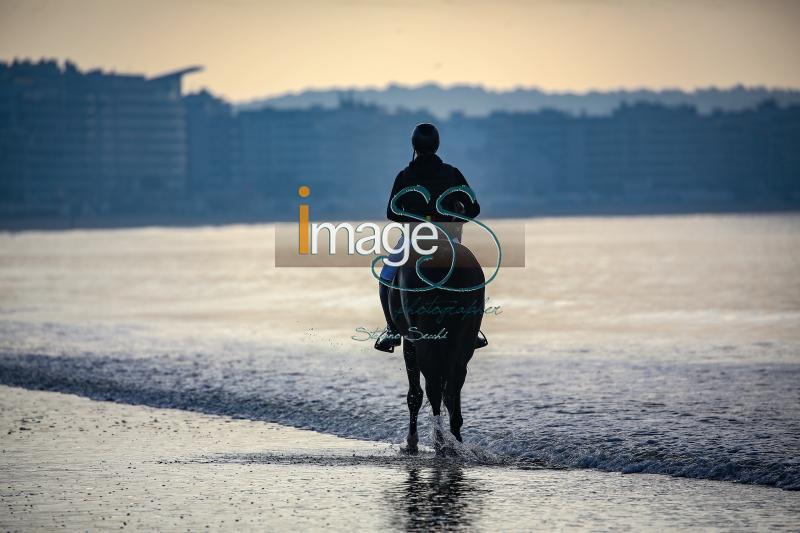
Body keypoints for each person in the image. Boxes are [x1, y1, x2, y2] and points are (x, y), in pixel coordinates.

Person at [375, 123, 488, 352]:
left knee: (386, 277)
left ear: (413, 146)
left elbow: (391, 213)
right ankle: (472, 332)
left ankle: (392, 330)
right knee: (474, 277)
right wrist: (456, 218)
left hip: (413, 239)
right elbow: (474, 208)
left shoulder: (405, 175)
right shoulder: (452, 173)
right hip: (448, 238)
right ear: (437, 145)